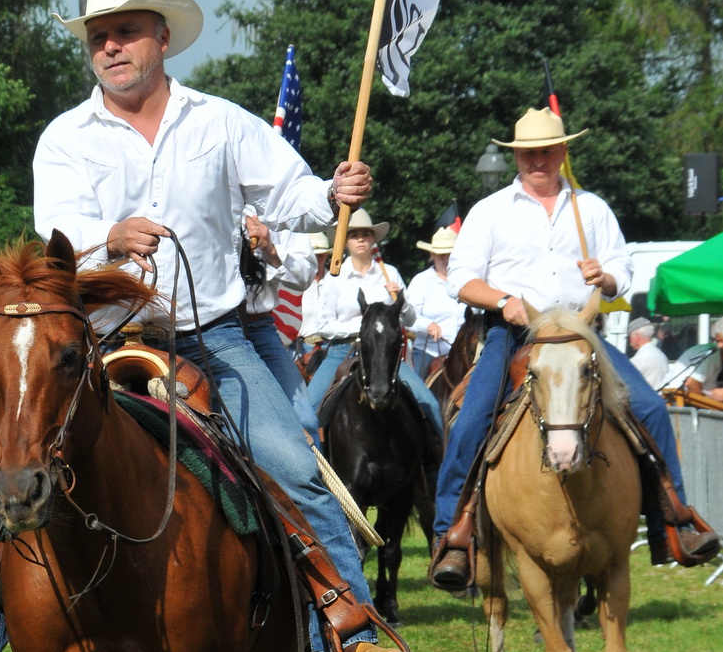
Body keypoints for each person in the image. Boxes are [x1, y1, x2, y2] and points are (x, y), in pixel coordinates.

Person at [0, 0, 409, 652]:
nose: (111, 47)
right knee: (25, 462)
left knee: (287, 458)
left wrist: (331, 192)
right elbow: (57, 246)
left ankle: (350, 627)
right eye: (99, 37)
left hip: (211, 336)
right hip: (98, 343)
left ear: (162, 38)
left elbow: (291, 191)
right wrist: (108, 238)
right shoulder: (63, 139)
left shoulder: (219, 122)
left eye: (125, 32)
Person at [428, 107, 718, 590]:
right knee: (474, 417)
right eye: (527, 153)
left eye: (545, 150)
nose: (536, 160)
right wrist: (503, 300)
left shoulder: (593, 209)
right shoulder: (491, 210)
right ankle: (452, 539)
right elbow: (460, 279)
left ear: (562, 152)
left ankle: (676, 522)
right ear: (517, 156)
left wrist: (604, 277)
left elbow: (622, 267)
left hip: (580, 333)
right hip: (513, 332)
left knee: (648, 407)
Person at [301, 208, 446, 443]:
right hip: (342, 351)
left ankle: (439, 470)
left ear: (373, 239)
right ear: (346, 241)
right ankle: (310, 470)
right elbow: (323, 325)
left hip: (387, 355)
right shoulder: (334, 278)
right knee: (306, 411)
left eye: (365, 234)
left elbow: (408, 320)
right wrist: (365, 329)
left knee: (429, 403)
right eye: (354, 235)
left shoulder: (390, 274)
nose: (360, 239)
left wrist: (400, 299)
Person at [241, 213, 321, 440]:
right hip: (206, 330)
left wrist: (270, 250)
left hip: (259, 328)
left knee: (305, 418)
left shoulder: (281, 209)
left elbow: (304, 276)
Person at [408, 226, 467, 379]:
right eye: (440, 254)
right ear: (432, 254)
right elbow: (408, 319)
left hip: (465, 352)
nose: (444, 258)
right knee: (419, 398)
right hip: (429, 351)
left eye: (449, 253)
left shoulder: (469, 281)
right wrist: (428, 325)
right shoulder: (420, 281)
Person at [683, 317, 723, 400]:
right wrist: (708, 403)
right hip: (679, 403)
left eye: (722, 341)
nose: (719, 345)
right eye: (717, 341)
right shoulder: (711, 353)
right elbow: (691, 383)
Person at [628, 319, 671, 391]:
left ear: (637, 336)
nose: (629, 342)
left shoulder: (639, 359)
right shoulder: (662, 356)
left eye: (629, 337)